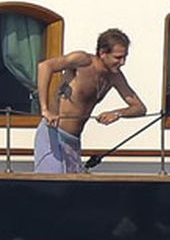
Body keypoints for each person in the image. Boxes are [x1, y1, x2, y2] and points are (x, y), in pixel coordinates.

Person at [34, 28, 147, 173]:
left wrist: (117, 113)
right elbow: (45, 66)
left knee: (70, 190)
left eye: (125, 57)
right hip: (53, 134)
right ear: (102, 53)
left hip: (73, 141)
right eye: (118, 57)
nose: (123, 62)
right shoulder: (82, 61)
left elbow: (140, 108)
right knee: (51, 186)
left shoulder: (115, 77)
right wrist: (45, 110)